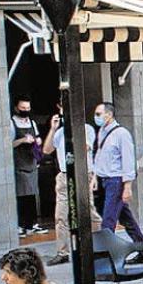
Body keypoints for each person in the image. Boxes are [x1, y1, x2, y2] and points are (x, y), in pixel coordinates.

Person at [42, 105, 102, 266]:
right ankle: (63, 251)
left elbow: (85, 147)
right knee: (61, 215)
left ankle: (98, 246)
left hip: (82, 173)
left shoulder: (87, 129)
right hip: (63, 175)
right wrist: (53, 129)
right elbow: (47, 150)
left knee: (88, 211)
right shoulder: (60, 132)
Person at [92, 102, 143, 243]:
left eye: (99, 114)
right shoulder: (102, 132)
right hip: (104, 180)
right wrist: (94, 177)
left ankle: (106, 253)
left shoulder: (122, 134)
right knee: (125, 218)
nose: (95, 117)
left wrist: (127, 187)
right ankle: (142, 248)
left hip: (116, 181)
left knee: (108, 220)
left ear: (109, 115)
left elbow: (128, 161)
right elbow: (99, 156)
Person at [10, 96, 44, 237]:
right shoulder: (11, 123)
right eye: (23, 108)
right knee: (21, 196)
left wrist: (37, 141)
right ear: (16, 108)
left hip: (31, 163)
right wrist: (23, 140)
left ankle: (32, 224)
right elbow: (9, 143)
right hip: (19, 165)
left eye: (28, 108)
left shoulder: (32, 122)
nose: (25, 111)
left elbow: (38, 137)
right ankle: (21, 225)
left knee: (31, 194)